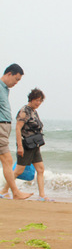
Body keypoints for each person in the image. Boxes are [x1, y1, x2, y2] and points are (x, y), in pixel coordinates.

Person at [0, 88, 50, 201]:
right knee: (18, 171)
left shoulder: (34, 112)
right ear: (31, 99)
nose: (38, 103)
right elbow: (18, 128)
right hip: (26, 145)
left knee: (40, 169)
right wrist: (20, 146)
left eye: (40, 101)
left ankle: (42, 196)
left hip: (35, 145)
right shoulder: (24, 111)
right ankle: (4, 191)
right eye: (36, 100)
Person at [0, 64, 33, 200]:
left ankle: (13, 192)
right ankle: (15, 192)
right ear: (9, 74)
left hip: (4, 128)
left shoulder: (4, 89)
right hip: (1, 127)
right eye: (16, 79)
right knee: (7, 160)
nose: (16, 83)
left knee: (6, 160)